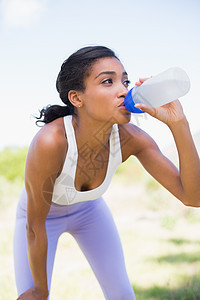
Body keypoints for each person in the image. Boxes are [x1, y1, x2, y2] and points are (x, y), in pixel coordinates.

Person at [13, 46, 200, 300]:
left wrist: (179, 124)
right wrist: (41, 291)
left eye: (125, 80)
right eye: (108, 81)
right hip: (41, 218)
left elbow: (193, 197)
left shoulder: (132, 139)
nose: (124, 89)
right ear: (77, 98)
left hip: (89, 211)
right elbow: (34, 227)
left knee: (123, 296)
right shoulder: (51, 142)